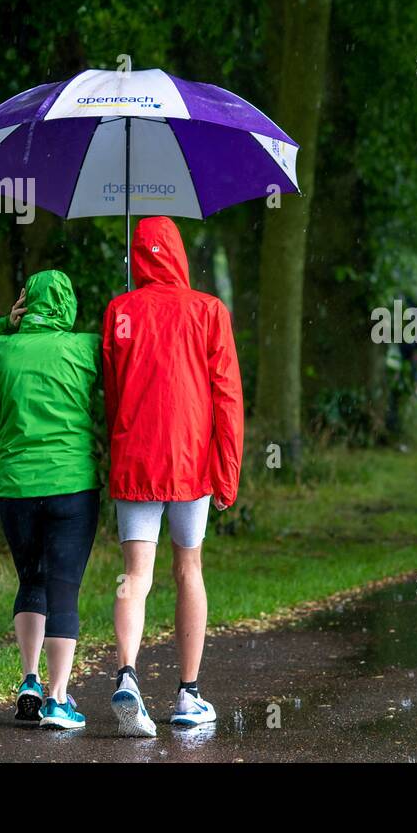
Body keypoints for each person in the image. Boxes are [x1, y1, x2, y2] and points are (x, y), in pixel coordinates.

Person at [102, 216, 244, 736]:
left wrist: (118, 451)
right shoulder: (209, 311)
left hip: (135, 459)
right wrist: (227, 473)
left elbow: (113, 396)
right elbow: (227, 397)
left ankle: (127, 676)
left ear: (137, 258)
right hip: (191, 463)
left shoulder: (119, 311)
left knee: (134, 575)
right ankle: (188, 694)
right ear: (180, 254)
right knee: (189, 570)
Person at [0, 270, 101, 731]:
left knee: (31, 579)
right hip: (71, 484)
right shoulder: (85, 348)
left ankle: (29, 678)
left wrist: (7, 322)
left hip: (16, 489)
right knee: (64, 587)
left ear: (28, 303)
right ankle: (58, 701)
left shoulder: (3, 351)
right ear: (67, 304)